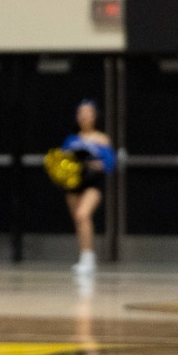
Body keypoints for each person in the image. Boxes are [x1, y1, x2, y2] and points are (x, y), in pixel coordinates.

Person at [61, 100, 114, 275]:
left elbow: (109, 163)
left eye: (87, 112)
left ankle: (88, 257)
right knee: (79, 220)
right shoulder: (71, 140)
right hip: (75, 185)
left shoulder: (102, 139)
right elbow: (62, 162)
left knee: (83, 214)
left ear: (94, 116)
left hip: (93, 184)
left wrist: (91, 164)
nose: (83, 116)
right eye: (80, 113)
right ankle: (83, 255)